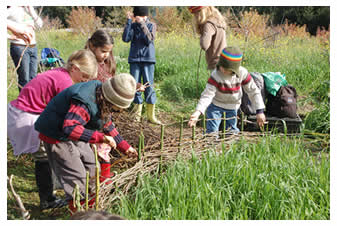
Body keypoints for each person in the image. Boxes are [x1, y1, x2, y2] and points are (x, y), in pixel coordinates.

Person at [7, 49, 98, 210]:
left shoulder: (62, 74)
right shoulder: (65, 82)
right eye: (84, 76)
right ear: (75, 68)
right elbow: (67, 118)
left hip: (29, 112)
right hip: (28, 117)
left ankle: (51, 192)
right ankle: (47, 199)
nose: (84, 81)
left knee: (47, 155)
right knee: (43, 157)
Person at [34, 73, 138, 212]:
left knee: (93, 167)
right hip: (56, 134)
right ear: (111, 99)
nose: (119, 110)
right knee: (76, 177)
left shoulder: (102, 96)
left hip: (75, 130)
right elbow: (69, 127)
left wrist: (125, 147)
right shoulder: (84, 102)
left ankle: (92, 206)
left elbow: (107, 124)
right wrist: (101, 137)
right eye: (119, 107)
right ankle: (79, 212)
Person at [188, 46, 266, 134]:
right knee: (212, 131)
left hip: (233, 106)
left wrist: (259, 111)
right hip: (216, 105)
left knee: (231, 131)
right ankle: (211, 143)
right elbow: (207, 95)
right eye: (222, 66)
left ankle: (229, 145)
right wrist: (198, 112)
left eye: (226, 69)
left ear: (234, 69)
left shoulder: (242, 73)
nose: (223, 70)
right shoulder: (216, 75)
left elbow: (253, 91)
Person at [122, 6, 161, 124]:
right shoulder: (133, 26)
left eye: (141, 16)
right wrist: (129, 22)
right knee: (135, 85)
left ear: (146, 16)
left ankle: (151, 116)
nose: (139, 18)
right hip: (134, 59)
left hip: (148, 59)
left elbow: (149, 39)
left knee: (148, 85)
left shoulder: (151, 25)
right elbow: (125, 38)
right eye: (137, 16)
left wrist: (143, 24)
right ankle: (136, 115)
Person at [7, 6, 43, 91]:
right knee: (24, 79)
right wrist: (8, 36)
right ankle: (23, 103)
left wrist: (31, 10)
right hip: (19, 47)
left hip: (33, 47)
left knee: (33, 78)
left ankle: (32, 101)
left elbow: (40, 25)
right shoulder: (11, 9)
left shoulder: (29, 9)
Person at [188, 6, 227, 71]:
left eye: (196, 14)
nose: (196, 17)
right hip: (226, 60)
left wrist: (202, 34)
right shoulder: (218, 21)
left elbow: (204, 45)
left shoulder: (208, 24)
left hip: (216, 64)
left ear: (201, 12)